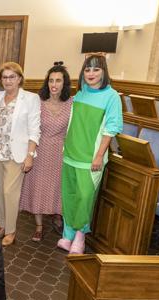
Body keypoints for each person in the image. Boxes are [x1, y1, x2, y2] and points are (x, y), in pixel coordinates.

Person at [59, 54, 122, 253]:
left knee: (85, 198)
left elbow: (111, 129)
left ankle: (80, 236)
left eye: (96, 69)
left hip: (90, 159)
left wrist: (98, 156)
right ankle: (67, 235)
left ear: (104, 71)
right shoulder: (81, 92)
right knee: (69, 196)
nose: (91, 73)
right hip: (70, 154)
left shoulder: (112, 96)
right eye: (87, 69)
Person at [0, 62, 41, 246]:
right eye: (5, 77)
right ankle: (2, 225)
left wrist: (30, 155)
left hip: (16, 153)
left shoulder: (31, 98)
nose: (8, 80)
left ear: (19, 78)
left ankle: (11, 230)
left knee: (9, 192)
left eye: (12, 77)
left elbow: (35, 129)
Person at [20, 63, 72, 242]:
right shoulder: (38, 102)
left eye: (58, 80)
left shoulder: (71, 104)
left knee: (57, 188)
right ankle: (39, 226)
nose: (54, 84)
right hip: (40, 150)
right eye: (51, 80)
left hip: (61, 152)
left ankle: (57, 216)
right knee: (38, 187)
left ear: (64, 83)